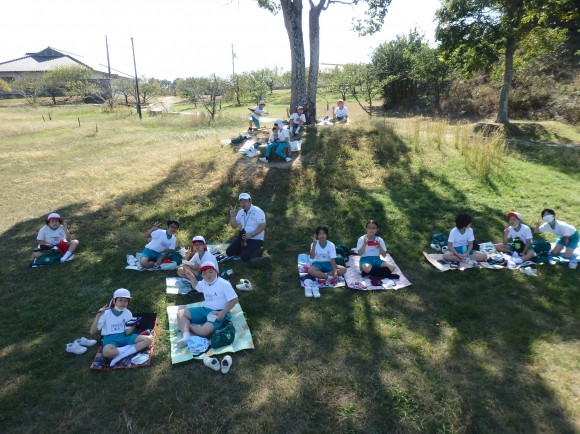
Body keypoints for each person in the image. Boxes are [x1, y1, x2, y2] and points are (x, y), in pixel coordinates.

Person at [175, 262, 239, 346]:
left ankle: (188, 325)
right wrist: (192, 277)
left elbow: (235, 299)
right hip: (205, 309)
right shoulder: (204, 282)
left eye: (210, 272)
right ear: (202, 276)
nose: (208, 275)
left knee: (204, 332)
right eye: (205, 273)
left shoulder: (224, 284)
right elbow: (196, 286)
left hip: (219, 312)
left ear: (216, 272)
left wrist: (223, 312)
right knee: (181, 313)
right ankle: (186, 336)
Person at [89, 288, 152, 367]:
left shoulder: (127, 313)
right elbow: (92, 331)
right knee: (106, 353)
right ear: (114, 300)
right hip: (111, 339)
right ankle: (129, 348)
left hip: (125, 336)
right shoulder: (106, 313)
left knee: (148, 339)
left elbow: (127, 333)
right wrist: (98, 317)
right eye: (120, 300)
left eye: (126, 301)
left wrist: (133, 325)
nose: (123, 303)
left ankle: (121, 355)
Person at [226, 193, 266, 262]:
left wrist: (251, 235)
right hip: (243, 237)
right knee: (229, 252)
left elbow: (263, 226)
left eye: (245, 201)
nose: (243, 203)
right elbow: (234, 226)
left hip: (255, 238)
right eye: (241, 202)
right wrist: (233, 217)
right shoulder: (240, 212)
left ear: (250, 201)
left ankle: (258, 250)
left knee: (244, 257)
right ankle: (245, 249)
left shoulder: (258, 211)